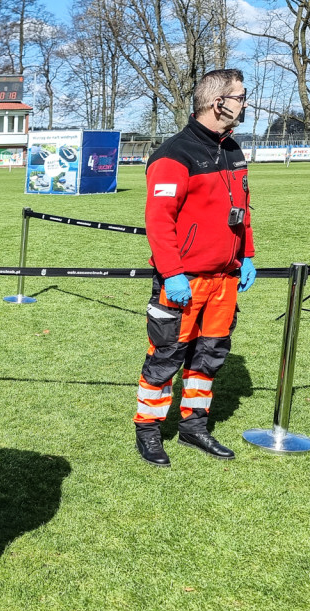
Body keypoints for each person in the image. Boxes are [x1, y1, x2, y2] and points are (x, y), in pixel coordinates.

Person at [133, 68, 256, 467]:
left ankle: (194, 427)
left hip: (225, 279)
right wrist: (172, 272)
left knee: (210, 355)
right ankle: (149, 430)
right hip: (183, 280)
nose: (244, 103)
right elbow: (158, 221)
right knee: (166, 356)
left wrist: (247, 255)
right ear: (217, 102)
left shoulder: (233, 148)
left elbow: (243, 210)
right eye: (239, 96)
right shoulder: (173, 155)